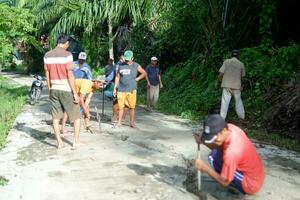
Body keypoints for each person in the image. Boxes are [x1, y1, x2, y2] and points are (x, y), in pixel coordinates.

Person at [194, 114, 265, 195]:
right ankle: (226, 174)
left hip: (251, 183)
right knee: (214, 154)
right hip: (255, 172)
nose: (213, 141)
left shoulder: (232, 152)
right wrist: (203, 141)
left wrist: (204, 167)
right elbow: (219, 146)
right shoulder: (230, 128)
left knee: (213, 158)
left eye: (214, 138)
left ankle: (235, 186)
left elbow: (225, 182)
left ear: (224, 130)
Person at [44, 33, 80, 149]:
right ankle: (75, 142)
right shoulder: (67, 55)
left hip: (54, 88)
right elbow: (70, 75)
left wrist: (50, 89)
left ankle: (59, 143)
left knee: (55, 117)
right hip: (66, 89)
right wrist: (75, 93)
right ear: (66, 43)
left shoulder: (47, 55)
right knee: (76, 117)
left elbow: (47, 74)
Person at [113, 50, 147, 127]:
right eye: (126, 59)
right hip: (121, 89)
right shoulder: (121, 65)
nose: (127, 61)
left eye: (129, 59)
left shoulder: (136, 65)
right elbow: (117, 77)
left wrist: (137, 79)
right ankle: (119, 122)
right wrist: (115, 88)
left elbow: (144, 73)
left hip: (131, 89)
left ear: (132, 58)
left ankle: (132, 122)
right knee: (121, 107)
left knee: (132, 107)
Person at [217, 50, 245, 120]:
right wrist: (241, 85)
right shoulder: (241, 64)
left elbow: (221, 74)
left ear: (231, 55)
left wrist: (219, 80)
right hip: (237, 86)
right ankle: (242, 117)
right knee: (238, 102)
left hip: (226, 85)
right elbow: (243, 77)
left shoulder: (226, 61)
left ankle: (222, 119)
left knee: (224, 103)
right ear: (238, 56)